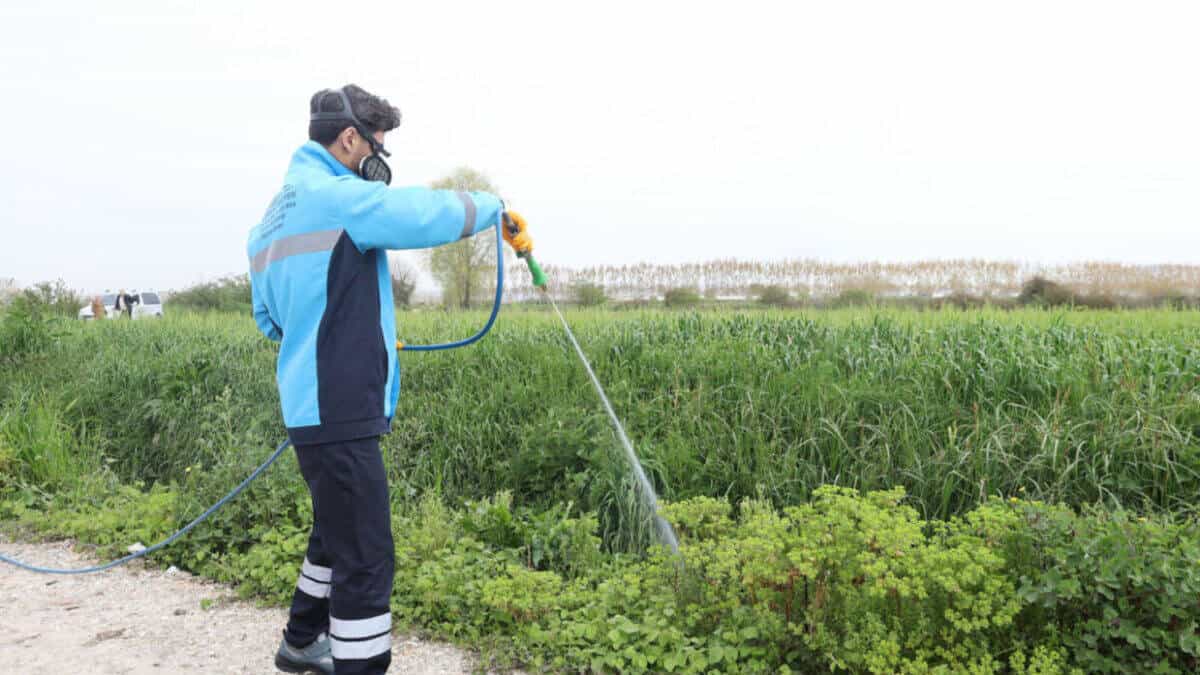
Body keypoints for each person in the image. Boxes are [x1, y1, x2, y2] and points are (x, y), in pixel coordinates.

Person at [247, 84, 533, 675]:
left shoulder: (268, 223)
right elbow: (417, 214)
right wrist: (492, 207)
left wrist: (346, 326)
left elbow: (270, 321)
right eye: (378, 146)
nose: (380, 160)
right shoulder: (339, 197)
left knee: (334, 530)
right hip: (341, 403)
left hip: (308, 405)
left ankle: (301, 640)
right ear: (350, 139)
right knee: (366, 557)